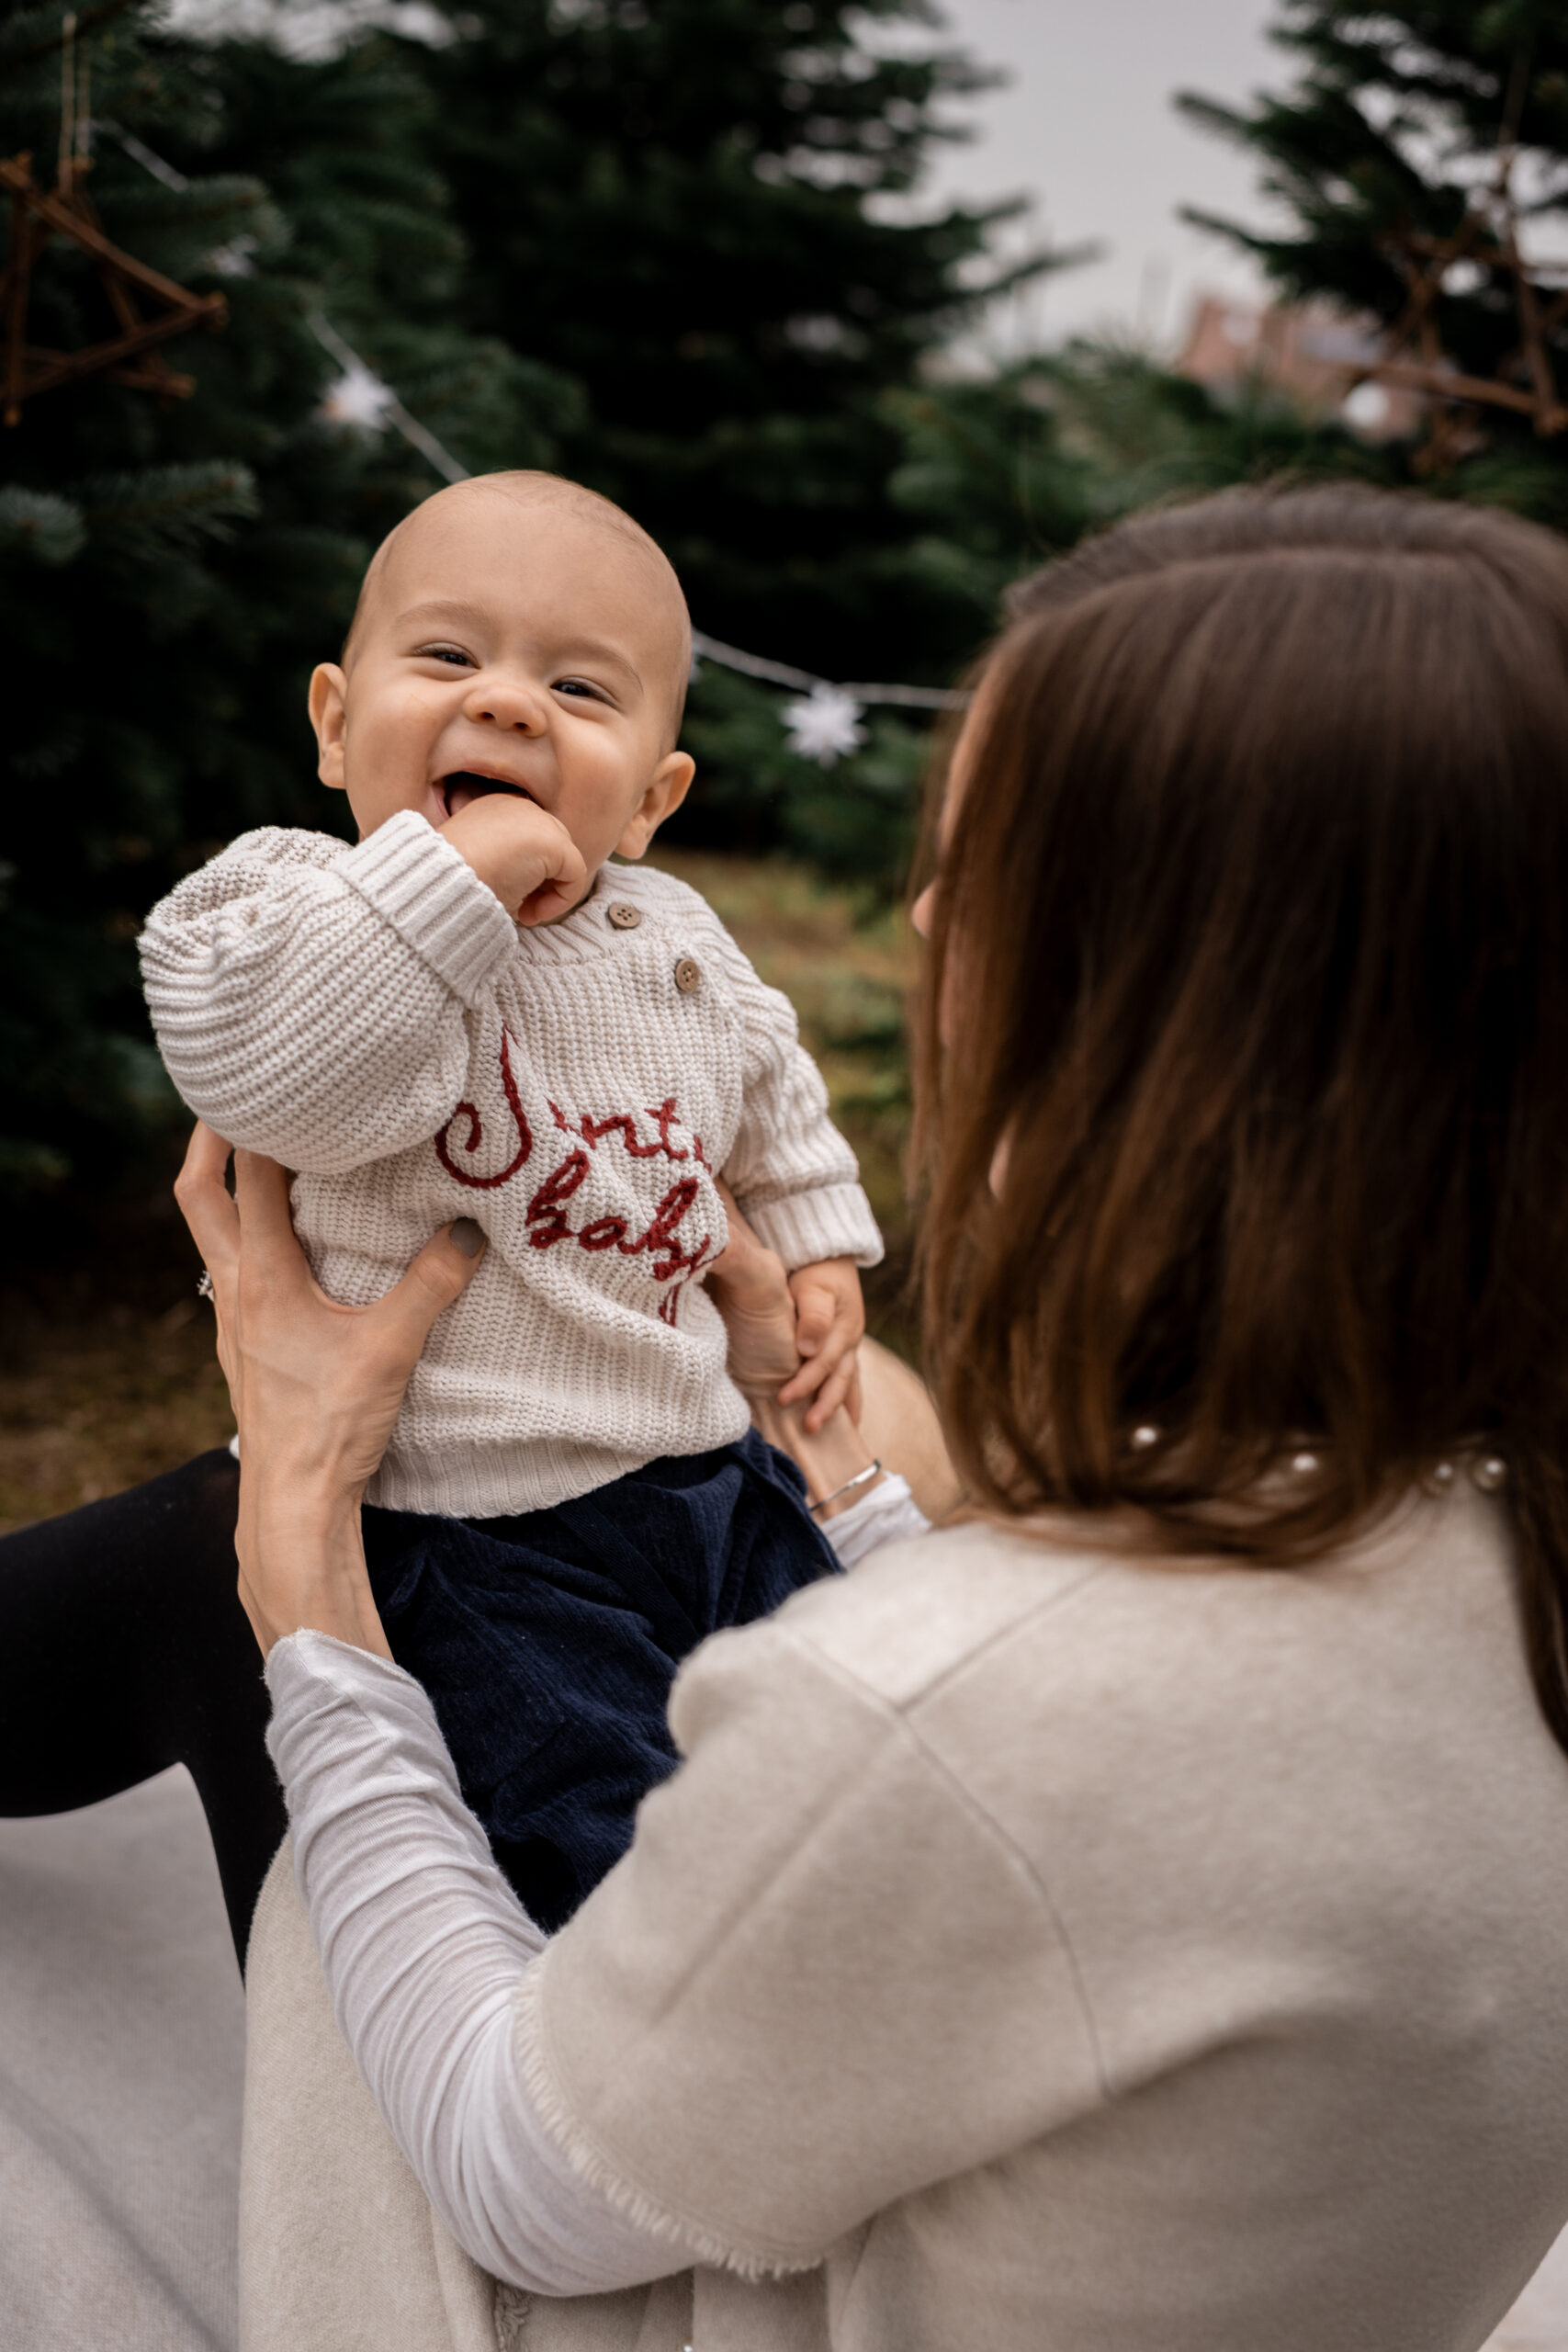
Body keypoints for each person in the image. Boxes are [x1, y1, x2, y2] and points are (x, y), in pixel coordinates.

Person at [199, 484, 1568, 2352]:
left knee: (326, 1878)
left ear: (1201, 1018)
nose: (918, 916)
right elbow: (1036, 1733)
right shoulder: (1495, 1548)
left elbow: (532, 2154)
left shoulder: (926, 1727)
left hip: (644, 2199)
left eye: (983, 870)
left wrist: (308, 1587)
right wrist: (836, 1467)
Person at [0, 469, 917, 1958]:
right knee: (593, 1820)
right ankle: (655, 2033)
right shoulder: (289, 901)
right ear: (332, 722)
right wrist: (451, 884)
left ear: (653, 801)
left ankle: (853, 1959)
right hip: (467, 1525)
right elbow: (296, 1089)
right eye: (448, 658)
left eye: (576, 687)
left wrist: (813, 1242)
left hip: (707, 1472)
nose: (505, 706)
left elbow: (769, 1080)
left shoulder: (673, 934)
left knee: (843, 1734)